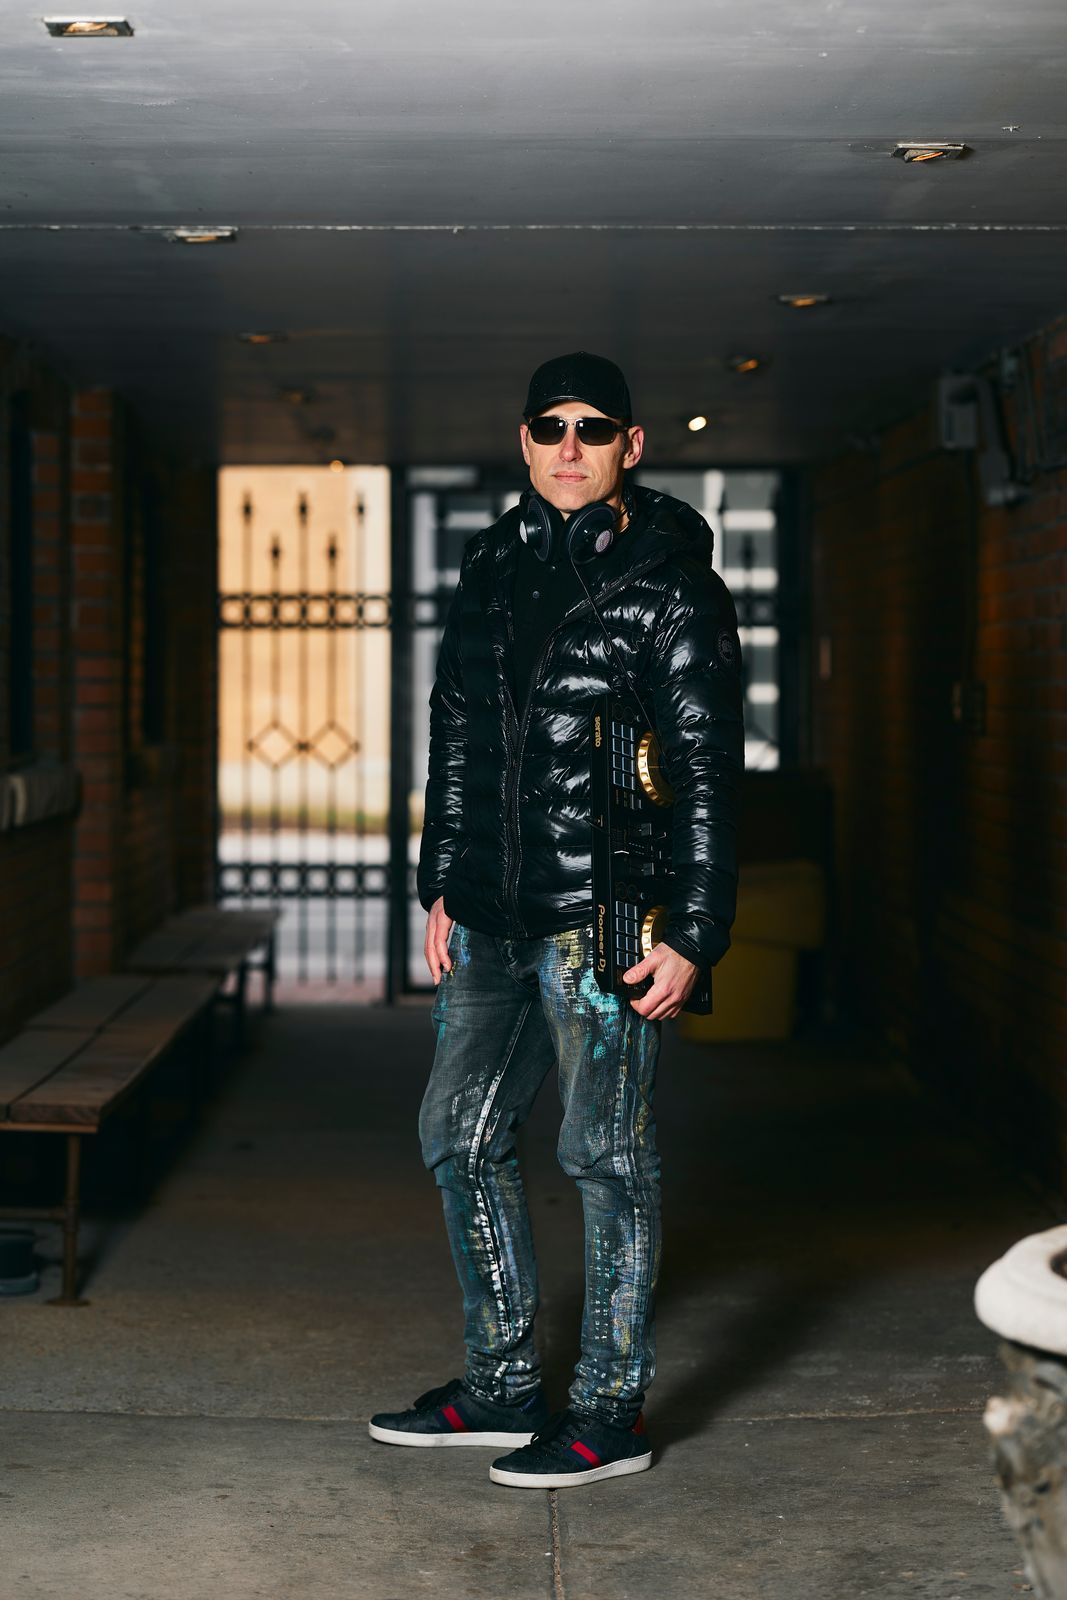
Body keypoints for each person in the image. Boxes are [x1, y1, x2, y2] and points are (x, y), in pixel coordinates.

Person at [369, 351, 744, 1488]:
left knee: (604, 1155)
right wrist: (443, 879)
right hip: (491, 911)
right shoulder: (490, 564)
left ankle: (608, 1413)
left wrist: (695, 928)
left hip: (603, 917)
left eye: (594, 427)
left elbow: (708, 768)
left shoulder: (672, 583)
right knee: (459, 1133)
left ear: (631, 445)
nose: (569, 446)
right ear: (524, 441)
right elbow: (454, 729)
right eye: (550, 426)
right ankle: (501, 1385)